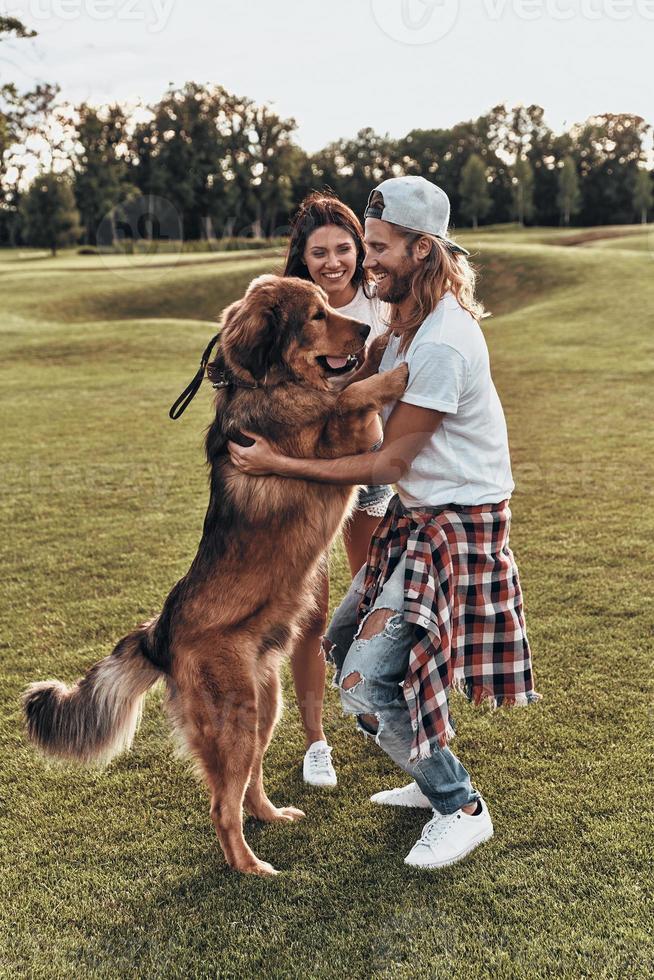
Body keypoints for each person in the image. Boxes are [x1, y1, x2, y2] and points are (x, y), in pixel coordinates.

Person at [229, 176, 539, 869]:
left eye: (378, 249)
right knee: (344, 643)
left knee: (363, 683)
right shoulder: (402, 323)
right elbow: (347, 389)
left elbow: (390, 460)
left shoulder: (443, 342)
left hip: (457, 526)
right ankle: (428, 772)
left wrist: (282, 463)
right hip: (418, 520)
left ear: (423, 250)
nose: (366, 264)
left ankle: (459, 805)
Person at [282, 192, 394, 788]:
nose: (333, 262)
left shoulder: (384, 303)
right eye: (318, 251)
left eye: (343, 248)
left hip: (373, 471)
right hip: (309, 481)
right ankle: (315, 739)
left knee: (375, 595)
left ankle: (373, 706)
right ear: (302, 256)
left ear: (360, 248)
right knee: (312, 611)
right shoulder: (294, 311)